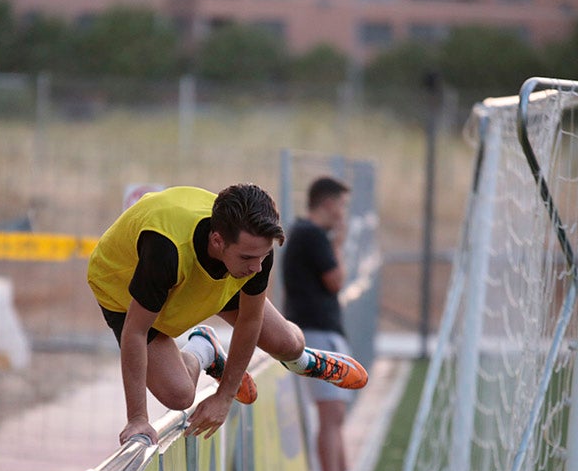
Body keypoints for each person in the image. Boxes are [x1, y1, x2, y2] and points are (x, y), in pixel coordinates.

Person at [86, 183, 369, 447]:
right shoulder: (165, 250)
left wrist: (225, 396)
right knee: (179, 396)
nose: (258, 268)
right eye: (249, 258)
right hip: (125, 289)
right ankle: (203, 349)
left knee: (287, 345)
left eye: (263, 256)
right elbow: (135, 331)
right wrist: (138, 419)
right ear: (218, 240)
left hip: (211, 269)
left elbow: (250, 321)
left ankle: (304, 361)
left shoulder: (253, 251)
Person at [282, 176, 392, 471]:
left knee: (335, 418)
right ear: (328, 203)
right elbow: (336, 281)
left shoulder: (305, 235)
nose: (343, 213)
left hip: (320, 332)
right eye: (342, 205)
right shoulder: (313, 236)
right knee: (329, 417)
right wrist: (339, 245)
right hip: (316, 333)